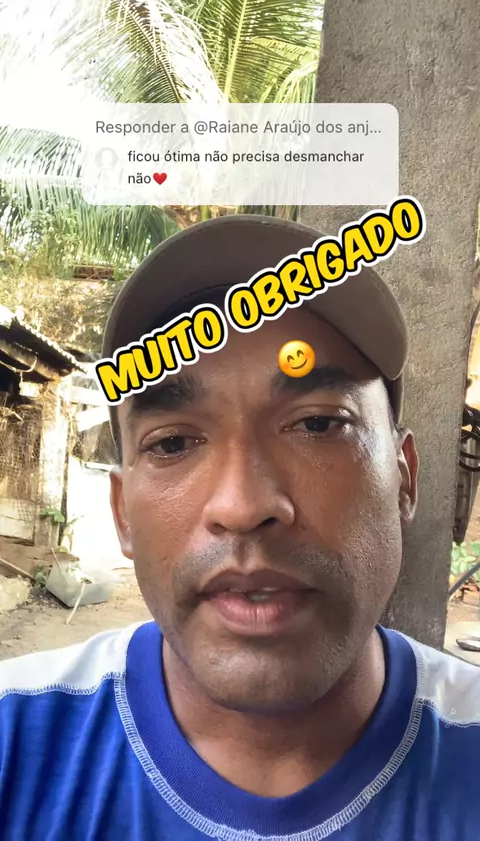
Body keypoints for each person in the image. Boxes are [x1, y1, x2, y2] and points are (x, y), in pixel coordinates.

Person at [1, 214, 479, 841]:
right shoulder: (13, 739)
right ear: (122, 514)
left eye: (318, 424)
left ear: (404, 481)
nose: (243, 504)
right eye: (173, 442)